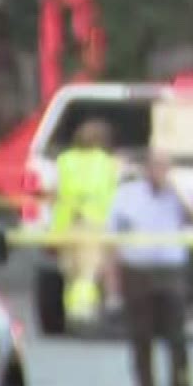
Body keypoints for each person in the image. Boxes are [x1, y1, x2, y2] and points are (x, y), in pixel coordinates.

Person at [108, 149, 193, 386]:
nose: (159, 172)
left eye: (164, 167)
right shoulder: (128, 195)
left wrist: (177, 194)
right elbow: (113, 238)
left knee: (177, 339)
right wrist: (113, 281)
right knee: (141, 338)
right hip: (137, 270)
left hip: (170, 270)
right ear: (146, 168)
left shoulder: (178, 193)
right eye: (155, 166)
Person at [53, 117, 122, 328]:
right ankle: (82, 311)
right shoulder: (108, 162)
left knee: (70, 271)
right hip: (94, 225)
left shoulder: (64, 160)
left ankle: (72, 310)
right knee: (87, 272)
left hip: (65, 226)